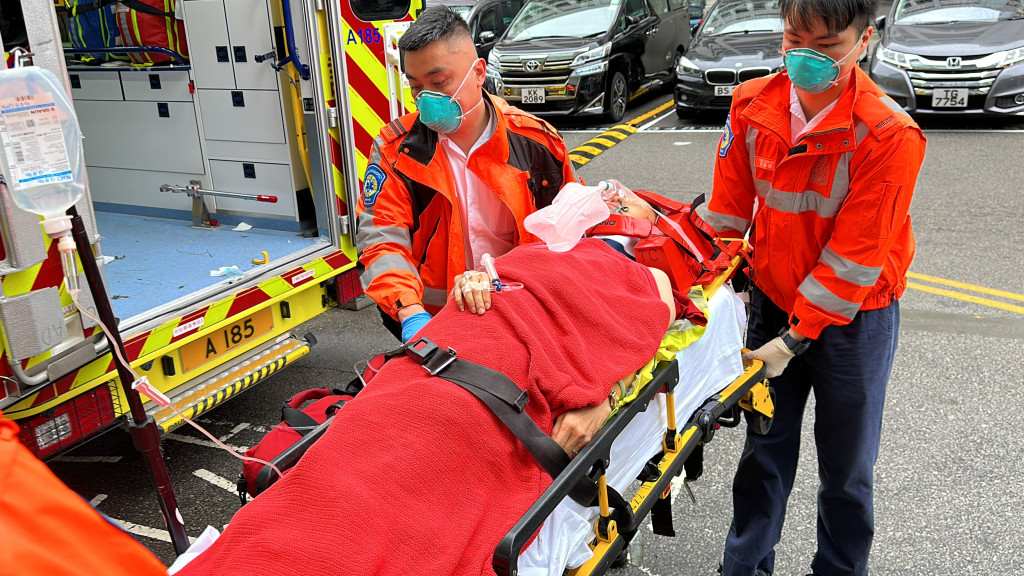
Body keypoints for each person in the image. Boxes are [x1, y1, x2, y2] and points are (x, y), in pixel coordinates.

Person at [176, 239, 673, 576]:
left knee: (389, 510)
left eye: (622, 210)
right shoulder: (527, 256)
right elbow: (392, 246)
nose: (614, 211)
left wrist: (604, 394)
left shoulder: (636, 271)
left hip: (484, 400)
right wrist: (479, 282)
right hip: (430, 370)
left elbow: (660, 306)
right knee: (341, 474)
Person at [698, 0, 927, 575]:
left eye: (825, 48)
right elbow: (727, 214)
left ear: (864, 39)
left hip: (855, 321)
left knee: (846, 469)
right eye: (795, 41)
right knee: (763, 455)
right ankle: (745, 567)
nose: (806, 58)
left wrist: (794, 340)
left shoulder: (888, 135)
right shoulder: (753, 106)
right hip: (773, 303)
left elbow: (852, 262)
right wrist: (707, 293)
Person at [356, 6, 578, 343]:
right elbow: (382, 242)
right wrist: (410, 314)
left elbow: (571, 230)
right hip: (434, 322)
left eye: (439, 82)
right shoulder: (397, 153)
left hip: (524, 313)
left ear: (478, 72)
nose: (426, 99)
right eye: (415, 87)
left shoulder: (536, 143)